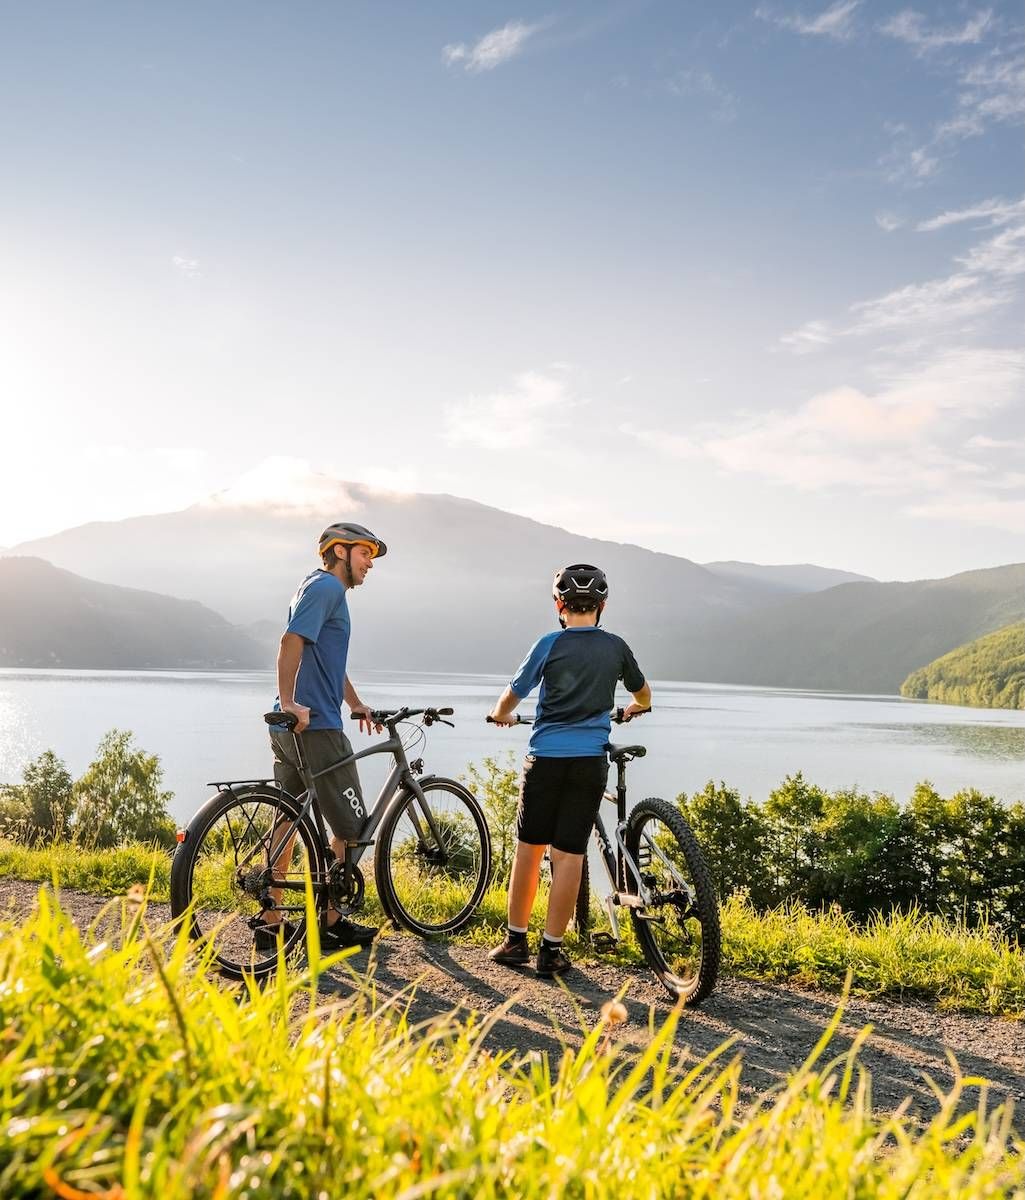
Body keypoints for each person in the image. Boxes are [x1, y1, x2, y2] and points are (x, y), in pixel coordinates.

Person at [487, 564, 652, 977]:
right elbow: (643, 693)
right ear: (602, 606)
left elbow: (513, 695)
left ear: (559, 605)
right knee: (569, 856)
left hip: (544, 759)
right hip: (588, 763)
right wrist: (636, 708)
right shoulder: (615, 647)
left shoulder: (548, 644)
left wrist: (500, 715)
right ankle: (551, 952)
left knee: (529, 850)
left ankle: (515, 941)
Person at [258, 521, 387, 951]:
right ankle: (330, 919)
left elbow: (326, 659)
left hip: (295, 724)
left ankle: (270, 917)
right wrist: (290, 699)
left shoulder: (313, 588)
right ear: (340, 551)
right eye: (365, 553)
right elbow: (290, 641)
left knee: (287, 817)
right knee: (352, 828)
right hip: (316, 727)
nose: (370, 563)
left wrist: (354, 702)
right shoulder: (328, 589)